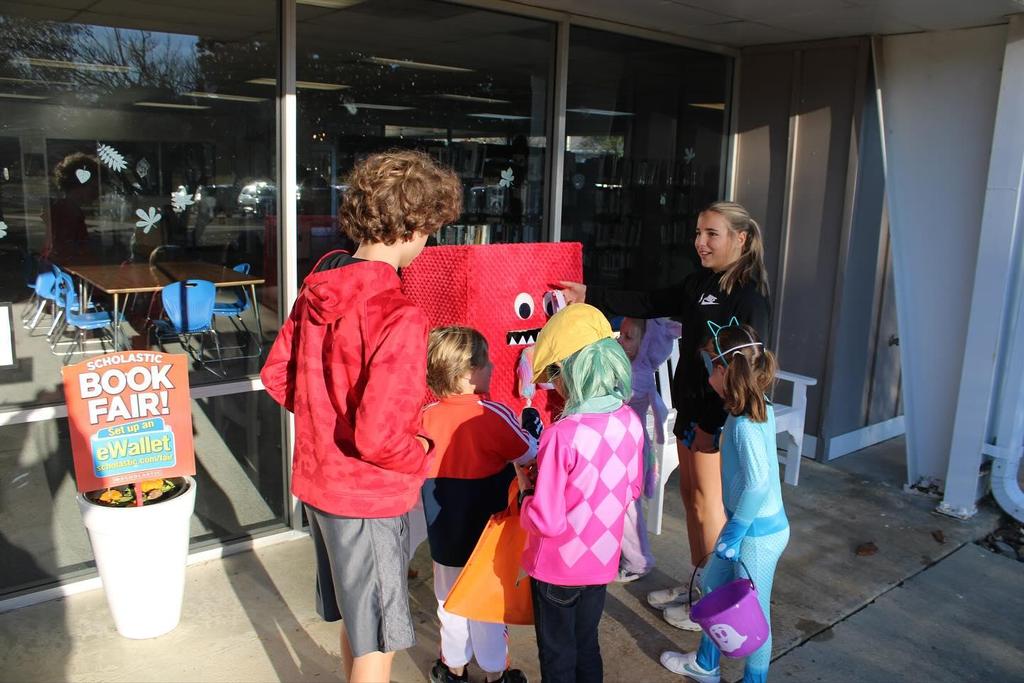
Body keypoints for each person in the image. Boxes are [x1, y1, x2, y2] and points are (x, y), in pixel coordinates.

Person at [260, 150, 462, 683]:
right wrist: (421, 450)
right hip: (368, 497)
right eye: (430, 230)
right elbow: (378, 437)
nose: (428, 242)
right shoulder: (398, 313)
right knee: (378, 640)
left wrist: (325, 417)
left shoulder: (318, 286)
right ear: (413, 226)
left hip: (319, 484)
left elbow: (277, 376)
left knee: (360, 620)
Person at [557, 201, 771, 630]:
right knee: (691, 501)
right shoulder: (699, 282)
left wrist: (717, 422)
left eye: (711, 234)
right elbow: (651, 301)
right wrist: (589, 294)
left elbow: (748, 370)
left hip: (715, 418)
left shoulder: (749, 296)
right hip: (689, 409)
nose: (700, 242)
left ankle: (712, 601)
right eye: (698, 233)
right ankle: (698, 582)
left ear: (741, 238)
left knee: (709, 505)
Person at [516, 303, 645, 683]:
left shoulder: (562, 434)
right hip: (601, 562)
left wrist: (525, 493)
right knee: (587, 645)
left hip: (556, 567)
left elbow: (547, 520)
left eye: (554, 373)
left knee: (557, 655)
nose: (554, 384)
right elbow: (631, 488)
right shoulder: (630, 420)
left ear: (570, 370)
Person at [660, 321, 789, 683]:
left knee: (755, 615)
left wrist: (735, 532)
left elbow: (758, 485)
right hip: (743, 528)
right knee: (714, 587)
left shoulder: (747, 422)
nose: (706, 375)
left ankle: (754, 680)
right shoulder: (749, 408)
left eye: (709, 365)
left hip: (757, 535)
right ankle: (706, 664)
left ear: (725, 370)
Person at [421, 325, 537, 683]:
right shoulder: (492, 413)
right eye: (486, 362)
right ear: (468, 372)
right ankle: (495, 673)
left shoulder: (425, 415)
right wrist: (532, 427)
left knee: (449, 601)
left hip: (443, 532)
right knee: (487, 604)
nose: (493, 367)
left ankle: (453, 668)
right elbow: (529, 451)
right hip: (489, 534)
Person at [615, 316, 682, 582]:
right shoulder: (632, 367)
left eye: (628, 337)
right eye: (620, 334)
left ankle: (638, 561)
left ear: (647, 345)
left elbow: (613, 399)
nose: (620, 341)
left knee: (627, 507)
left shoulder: (636, 375)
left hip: (628, 449)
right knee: (624, 505)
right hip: (627, 445)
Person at [43, 152, 100, 262]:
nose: (97, 193)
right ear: (80, 185)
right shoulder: (67, 211)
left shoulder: (66, 208)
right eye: (94, 187)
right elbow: (65, 248)